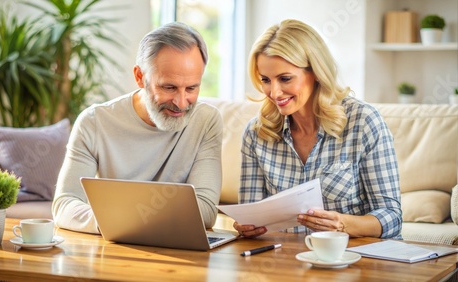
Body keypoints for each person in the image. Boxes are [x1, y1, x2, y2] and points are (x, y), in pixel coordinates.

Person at [233, 19, 402, 239]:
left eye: (285, 79)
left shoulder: (363, 122)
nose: (274, 93)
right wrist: (248, 227)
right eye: (266, 80)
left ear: (315, 72)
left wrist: (342, 224)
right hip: (285, 261)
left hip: (354, 260)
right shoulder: (257, 132)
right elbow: (251, 216)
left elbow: (392, 218)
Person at [52, 22, 223, 234]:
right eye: (168, 87)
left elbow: (206, 211)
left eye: (191, 88)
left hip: (177, 253)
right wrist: (116, 224)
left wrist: (121, 219)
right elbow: (65, 204)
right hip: (114, 246)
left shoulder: (207, 121)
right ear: (140, 77)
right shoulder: (93, 122)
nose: (181, 102)